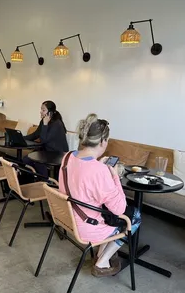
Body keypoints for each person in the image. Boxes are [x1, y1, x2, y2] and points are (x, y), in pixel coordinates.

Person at [58, 113, 141, 277]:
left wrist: (98, 165)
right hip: (88, 227)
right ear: (103, 141)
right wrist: (114, 175)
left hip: (68, 218)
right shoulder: (99, 171)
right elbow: (119, 208)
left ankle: (102, 251)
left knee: (109, 211)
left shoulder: (67, 157)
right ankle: (102, 261)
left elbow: (82, 178)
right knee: (134, 216)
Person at [23, 100, 68, 176]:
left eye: (43, 110)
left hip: (57, 153)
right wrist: (21, 138)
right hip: (47, 151)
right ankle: (34, 180)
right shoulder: (43, 121)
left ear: (50, 112)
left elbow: (43, 140)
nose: (41, 112)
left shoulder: (57, 124)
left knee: (38, 162)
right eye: (41, 109)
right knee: (26, 159)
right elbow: (35, 135)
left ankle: (45, 182)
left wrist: (45, 124)